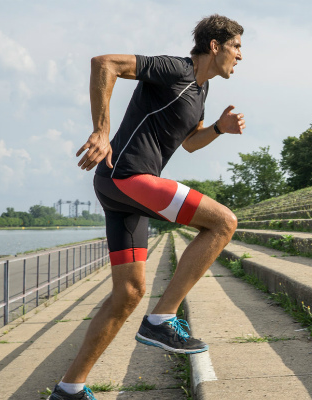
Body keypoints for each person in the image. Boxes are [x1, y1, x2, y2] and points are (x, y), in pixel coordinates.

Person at [48, 14, 245, 400]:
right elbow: (104, 63)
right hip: (127, 176)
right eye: (237, 47)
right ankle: (162, 320)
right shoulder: (175, 68)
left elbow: (189, 143)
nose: (241, 56)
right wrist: (101, 131)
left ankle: (69, 389)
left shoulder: (201, 92)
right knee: (223, 223)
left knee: (129, 293)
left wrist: (218, 129)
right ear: (214, 45)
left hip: (123, 190)